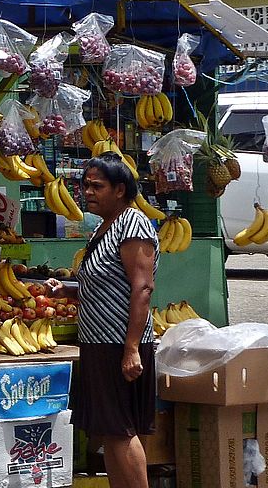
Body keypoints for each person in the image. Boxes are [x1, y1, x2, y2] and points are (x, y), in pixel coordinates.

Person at [63, 156, 158, 488]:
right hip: (100, 344)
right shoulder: (105, 226)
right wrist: (69, 291)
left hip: (118, 344)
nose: (88, 192)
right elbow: (109, 284)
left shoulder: (133, 224)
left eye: (97, 186)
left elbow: (142, 286)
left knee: (120, 430)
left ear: (120, 190)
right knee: (111, 431)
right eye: (86, 185)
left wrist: (131, 348)